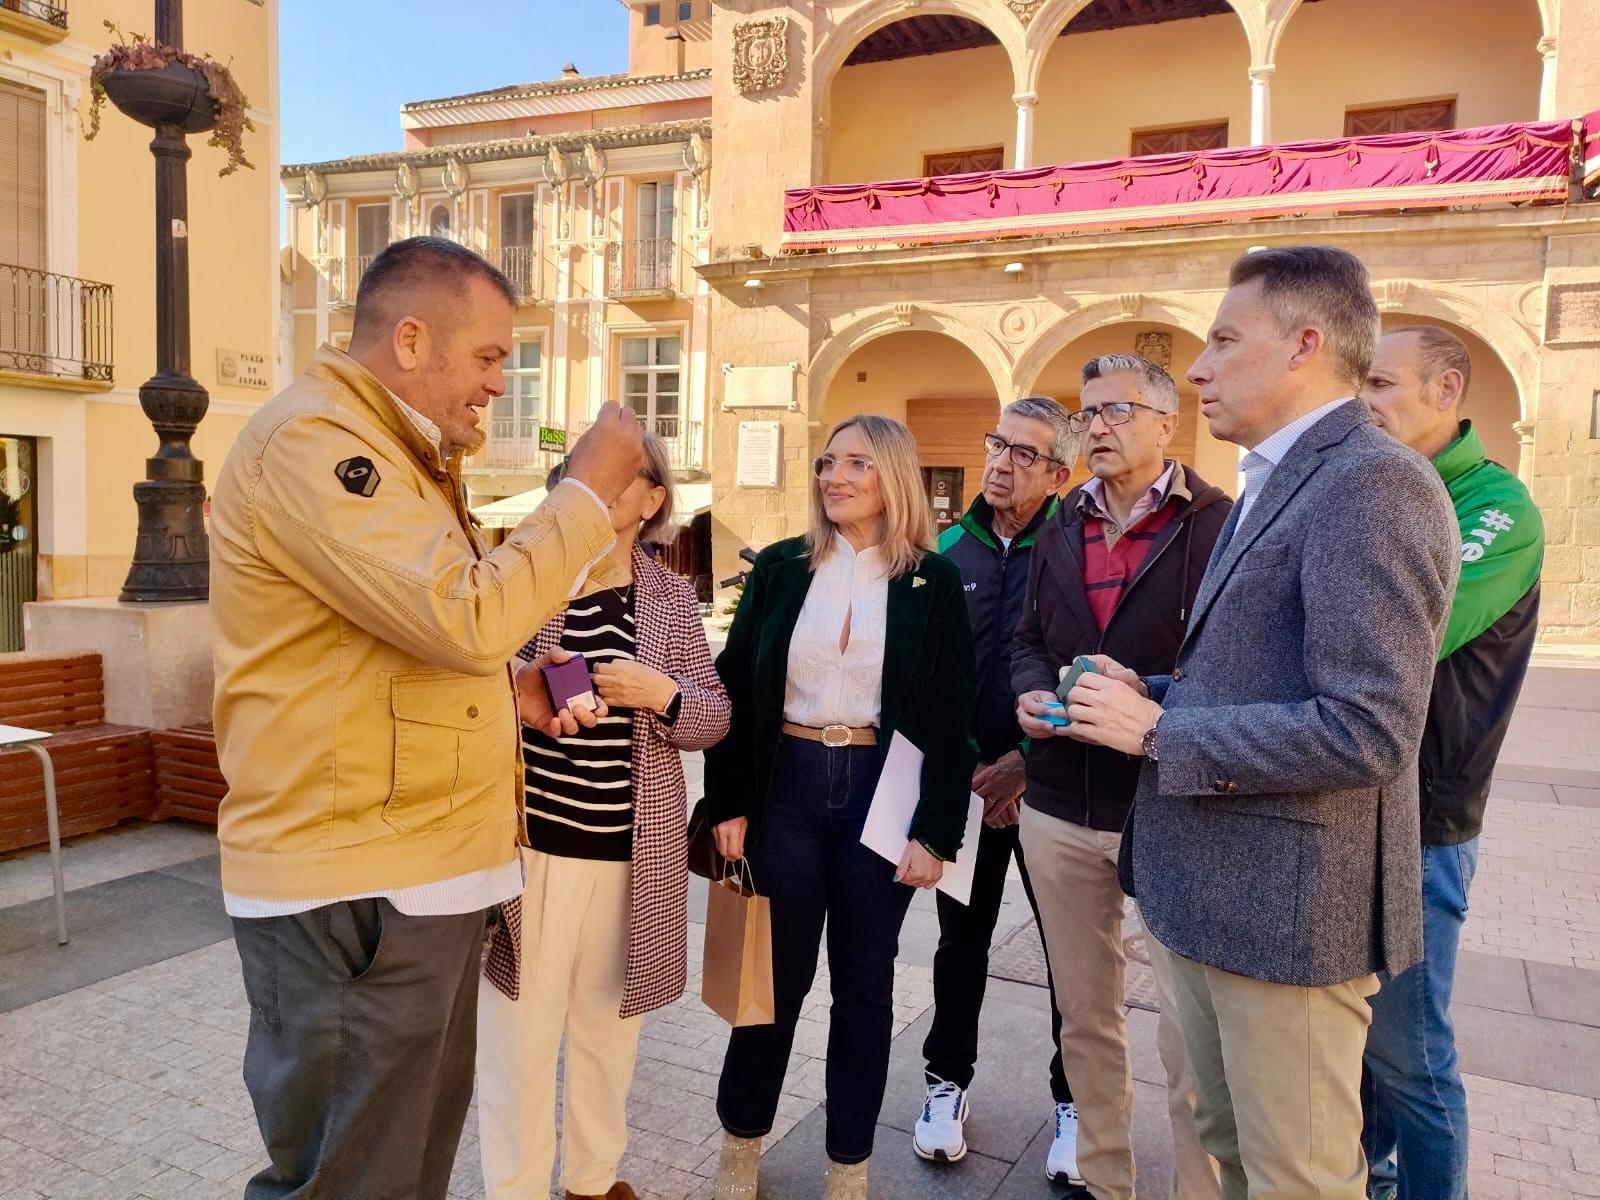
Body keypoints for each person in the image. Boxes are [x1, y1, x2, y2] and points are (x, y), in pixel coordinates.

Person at [210, 236, 644, 1200]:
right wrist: (583, 490)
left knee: (403, 1175)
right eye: (487, 356)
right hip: (357, 888)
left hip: (413, 876)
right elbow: (466, 613)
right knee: (351, 1179)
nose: (499, 382)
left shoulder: (398, 455)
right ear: (410, 340)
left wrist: (511, 686)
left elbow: (391, 636)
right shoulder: (315, 442)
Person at [1062, 245, 1459, 1200]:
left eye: (1224, 341)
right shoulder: (1279, 480)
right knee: (1233, 1152)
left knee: (1296, 1178)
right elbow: (1262, 674)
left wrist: (1156, 734)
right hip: (1215, 902)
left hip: (1289, 921)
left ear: (1305, 346)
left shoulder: (1374, 483)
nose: (1198, 368)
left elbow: (1369, 727)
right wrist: (1155, 692)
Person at [703, 414, 978, 1200]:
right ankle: (741, 1143)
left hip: (878, 792)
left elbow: (953, 715)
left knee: (864, 988)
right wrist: (728, 800)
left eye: (857, 463)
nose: (835, 477)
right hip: (786, 785)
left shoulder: (932, 581)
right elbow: (733, 689)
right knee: (772, 982)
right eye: (828, 463)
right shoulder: (782, 568)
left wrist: (936, 831)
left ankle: (849, 1164)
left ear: (892, 475)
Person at [476, 436, 732, 1200]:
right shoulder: (528, 576)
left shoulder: (670, 597)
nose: (596, 480)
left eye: (622, 472)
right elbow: (475, 673)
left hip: (631, 856)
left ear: (652, 499)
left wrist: (663, 694)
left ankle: (593, 1182)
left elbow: (715, 716)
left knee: (608, 1032)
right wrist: (529, 687)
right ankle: (515, 1191)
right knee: (517, 1041)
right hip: (531, 849)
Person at [1013, 357, 1229, 1200]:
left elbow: (1233, 670)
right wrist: (1029, 693)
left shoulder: (1219, 525)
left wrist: (1151, 703)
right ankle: (1106, 1183)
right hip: (1060, 806)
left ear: (1168, 424)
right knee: (1085, 1017)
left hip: (1171, 807)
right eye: (1087, 413)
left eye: (1117, 411)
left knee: (1191, 1038)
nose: (1095, 426)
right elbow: (1028, 639)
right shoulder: (1060, 525)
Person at [1358, 326, 1544, 1200]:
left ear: (1446, 390)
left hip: (1426, 826)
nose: (1365, 401)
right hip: (1353, 807)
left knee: (1411, 1059)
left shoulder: (1497, 509)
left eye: (1382, 383)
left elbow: (1403, 636)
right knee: (1364, 1048)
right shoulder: (1378, 488)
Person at [912, 397, 1077, 1172]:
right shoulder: (946, 550)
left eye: (1024, 452)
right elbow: (926, 676)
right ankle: (945, 1082)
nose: (1002, 463)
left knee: (1070, 955)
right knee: (960, 946)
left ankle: (1076, 1102)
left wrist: (1026, 765)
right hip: (971, 789)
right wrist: (971, 770)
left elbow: (1088, 672)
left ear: (1059, 474)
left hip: (1055, 791)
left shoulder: (1078, 552)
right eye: (997, 444)